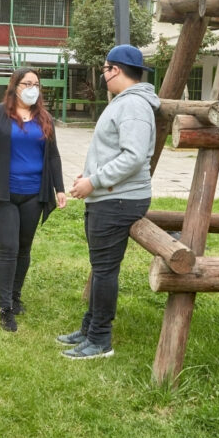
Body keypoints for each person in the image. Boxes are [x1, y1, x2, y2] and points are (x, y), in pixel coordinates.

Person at [61, 44, 160, 359]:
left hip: (118, 200)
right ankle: (89, 328)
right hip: (108, 196)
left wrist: (95, 180)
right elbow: (115, 151)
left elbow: (132, 157)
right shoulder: (126, 103)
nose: (103, 76)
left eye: (104, 69)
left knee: (104, 271)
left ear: (115, 70)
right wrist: (90, 175)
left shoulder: (133, 106)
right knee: (100, 267)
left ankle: (100, 340)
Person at [0, 67, 67, 332]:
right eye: (27, 83)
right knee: (8, 248)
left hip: (34, 194)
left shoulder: (44, 118)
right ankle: (4, 308)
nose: (32, 88)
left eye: (36, 84)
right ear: (14, 85)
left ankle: (15, 298)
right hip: (3, 193)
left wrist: (59, 188)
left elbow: (53, 156)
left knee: (24, 249)